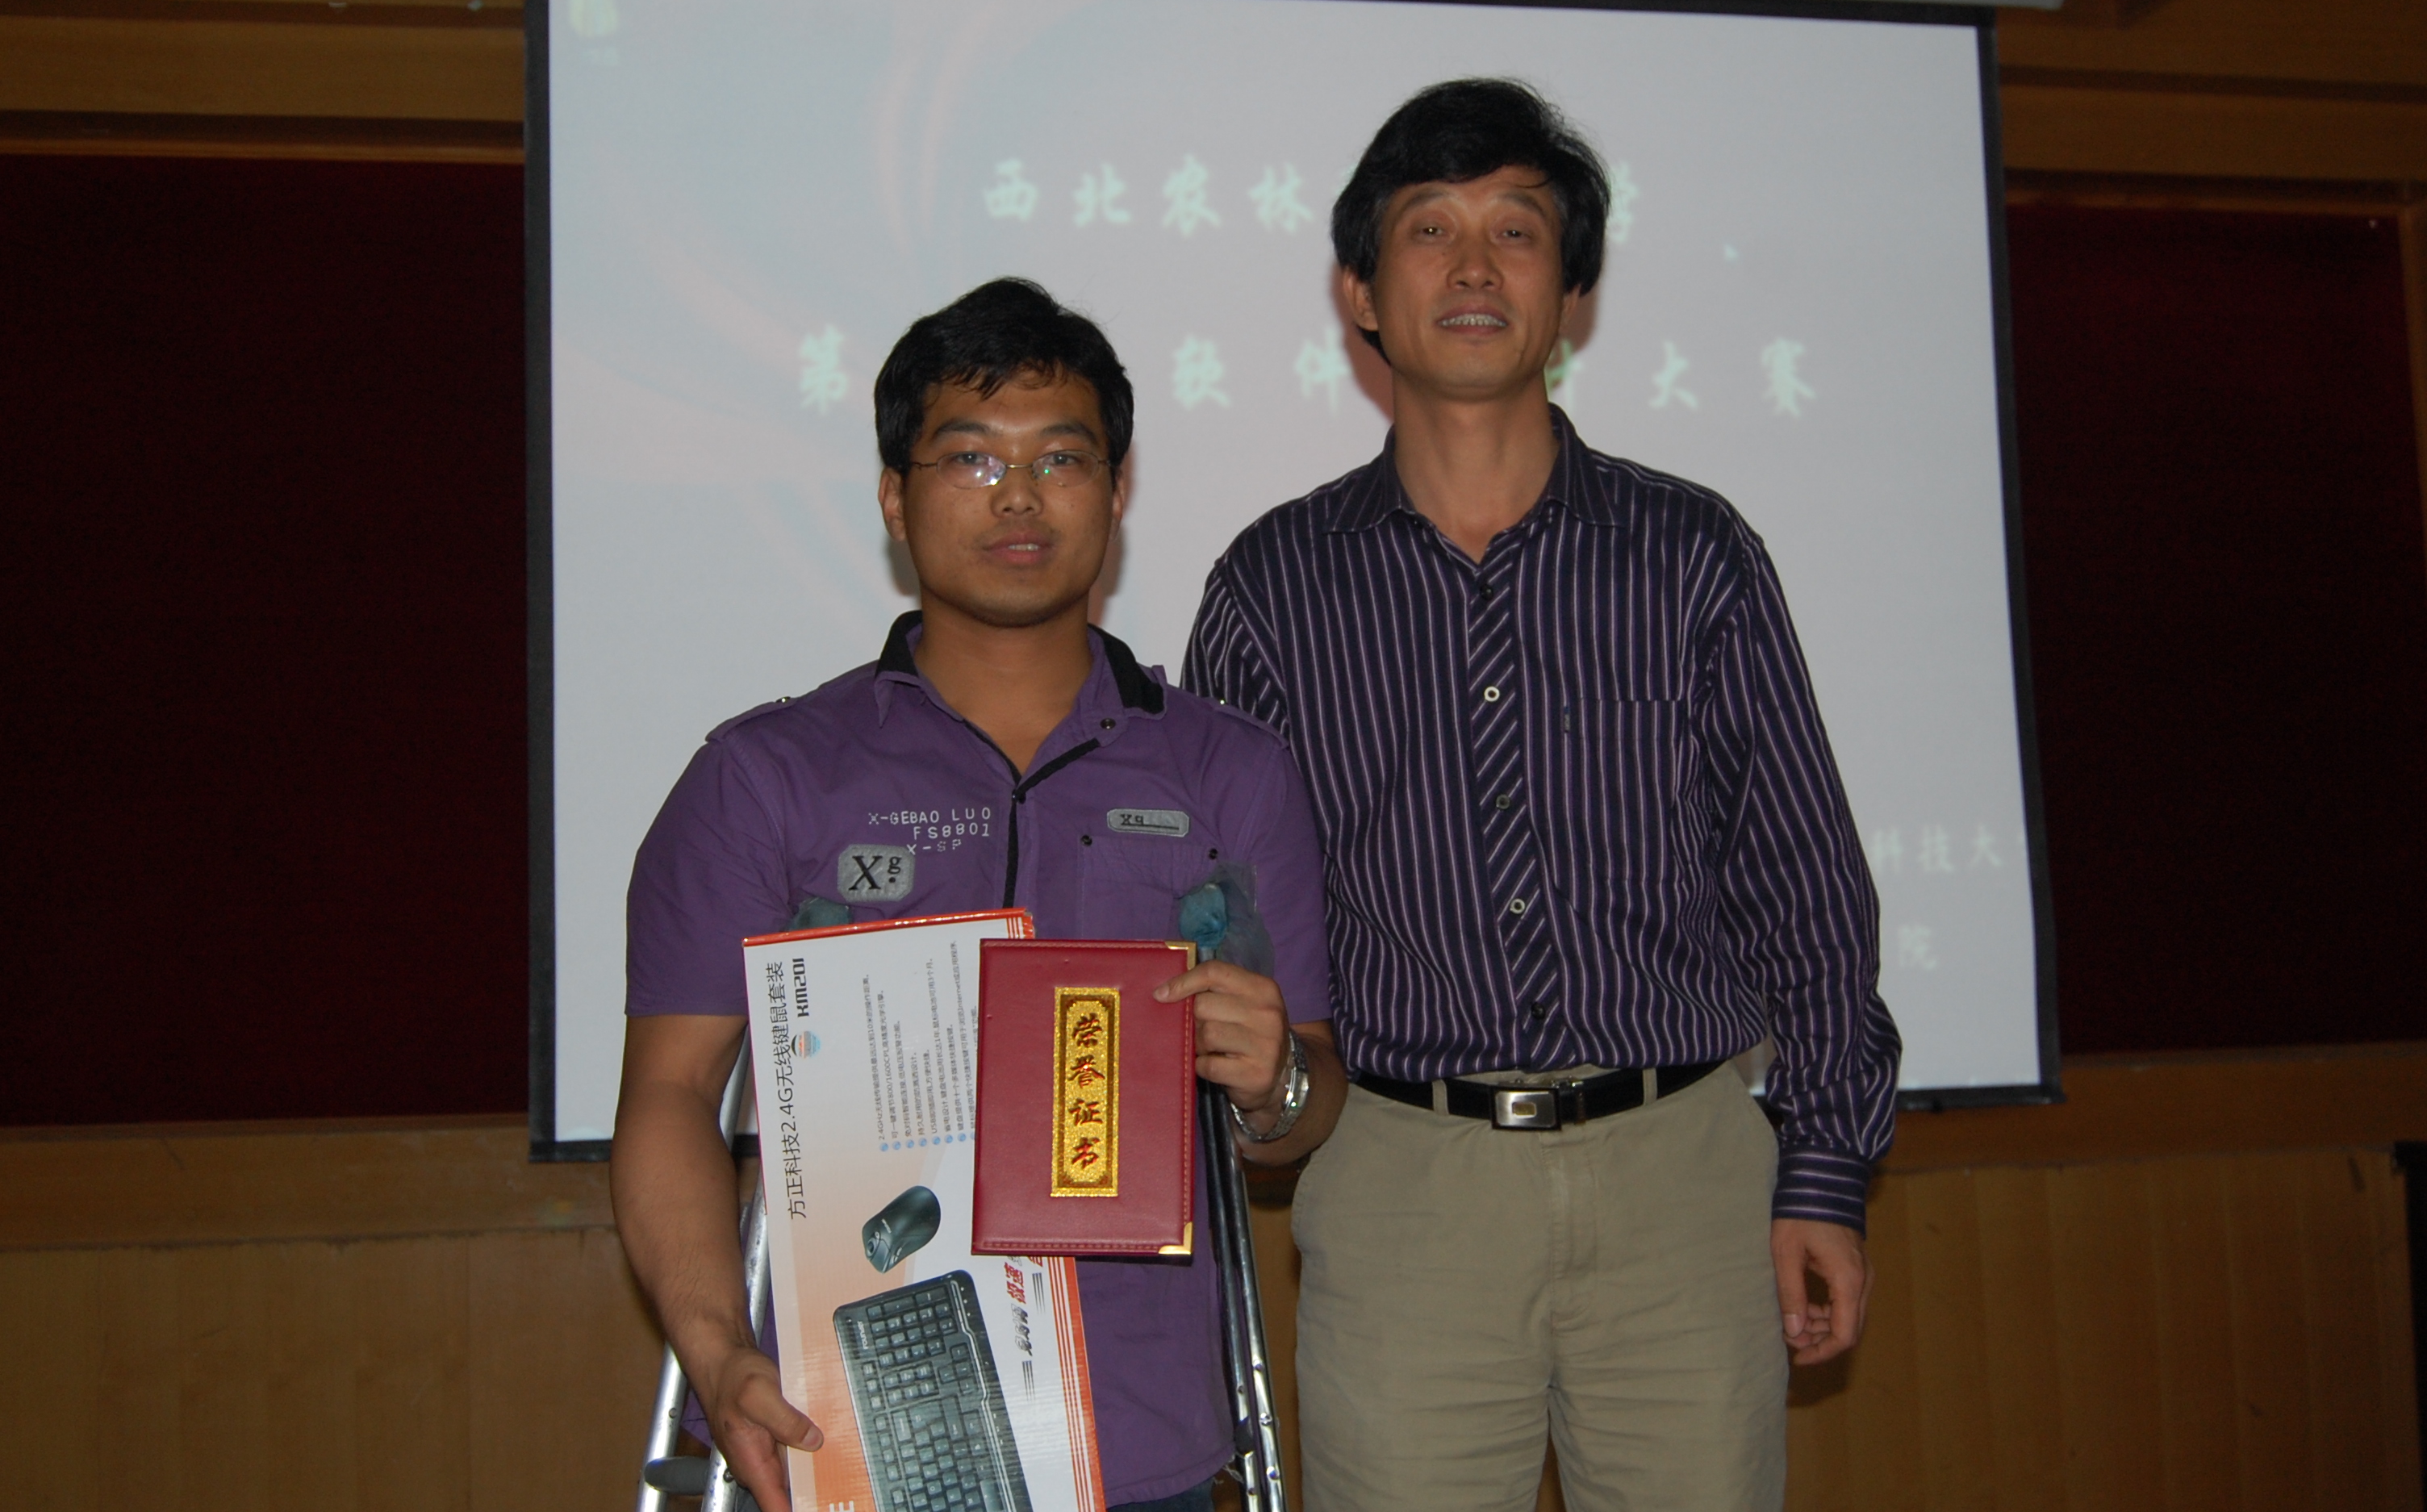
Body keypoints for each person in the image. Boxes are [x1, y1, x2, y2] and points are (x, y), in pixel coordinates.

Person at [1184, 79, 1901, 1511]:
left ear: (1570, 293)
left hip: (1684, 1177)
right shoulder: (1273, 587)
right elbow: (1232, 919)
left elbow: (1802, 879)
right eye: (1428, 230)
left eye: (1515, 231)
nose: (1473, 266)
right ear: (1361, 293)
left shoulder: (1691, 554)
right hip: (1404, 1187)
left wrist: (1822, 1171)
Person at [613, 277, 1346, 1512]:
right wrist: (716, 1348)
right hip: (853, 1417)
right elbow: (672, 1095)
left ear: (1115, 491)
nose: (1018, 495)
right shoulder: (766, 776)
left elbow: (1304, 1109)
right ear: (895, 498)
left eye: (1061, 458)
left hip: (1140, 1433)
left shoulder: (1231, 771)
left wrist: (1273, 1079)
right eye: (970, 458)